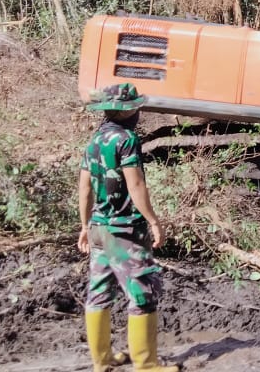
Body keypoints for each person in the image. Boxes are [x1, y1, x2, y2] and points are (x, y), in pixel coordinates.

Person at [78, 83, 179, 372]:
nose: (138, 110)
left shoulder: (95, 141)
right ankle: (146, 365)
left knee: (98, 292)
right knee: (142, 292)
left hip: (98, 228)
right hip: (124, 230)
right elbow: (135, 184)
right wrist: (154, 220)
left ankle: (102, 360)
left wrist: (85, 225)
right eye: (135, 107)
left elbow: (84, 188)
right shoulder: (126, 139)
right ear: (125, 111)